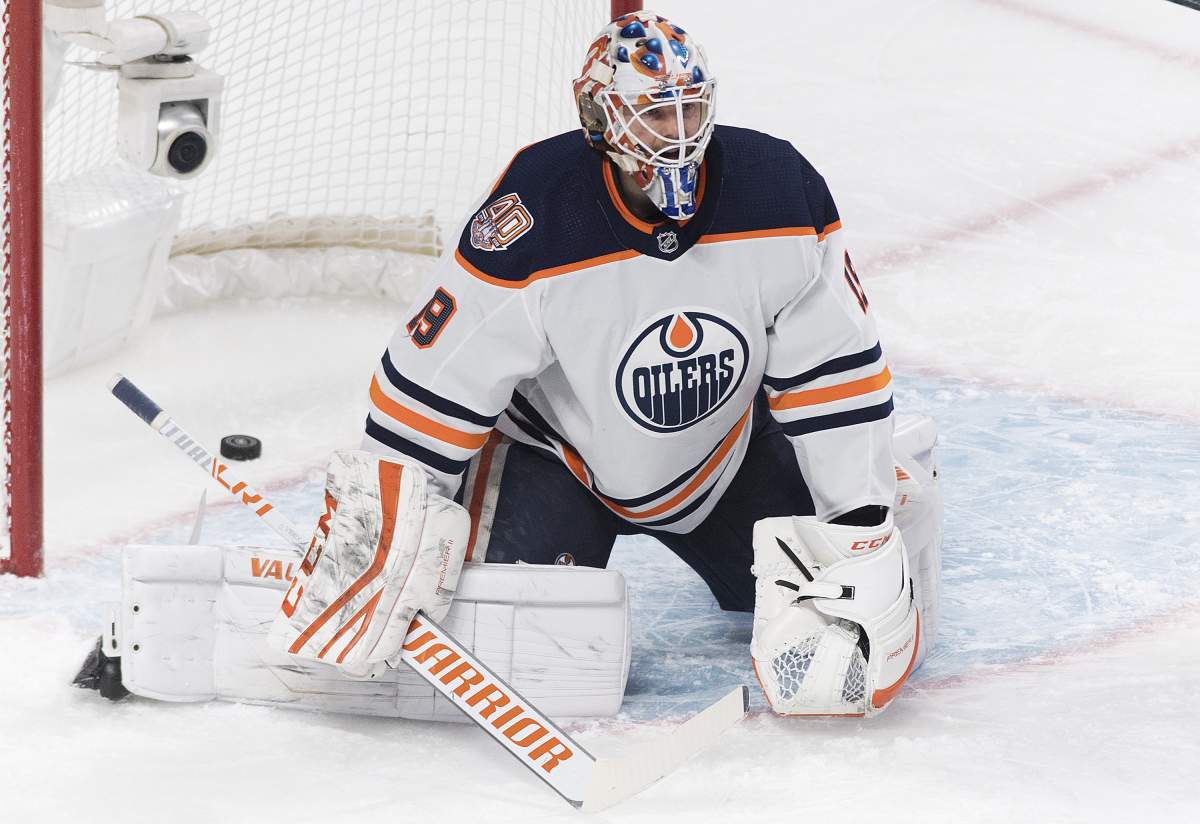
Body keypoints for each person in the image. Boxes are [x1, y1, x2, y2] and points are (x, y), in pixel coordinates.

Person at [276, 10, 942, 718]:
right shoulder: (533, 213)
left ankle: (893, 473)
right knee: (528, 648)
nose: (678, 133)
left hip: (720, 456)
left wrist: (859, 514)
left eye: (689, 108)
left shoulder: (779, 190)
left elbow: (834, 374)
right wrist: (380, 523)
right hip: (556, 461)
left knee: (829, 596)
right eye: (654, 115)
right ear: (599, 117)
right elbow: (436, 382)